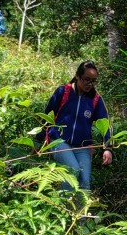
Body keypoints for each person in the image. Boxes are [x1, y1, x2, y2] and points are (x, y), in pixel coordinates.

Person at [41, 60, 113, 193]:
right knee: (72, 171)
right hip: (59, 141)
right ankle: (64, 210)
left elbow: (105, 123)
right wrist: (38, 140)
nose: (90, 84)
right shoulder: (63, 92)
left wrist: (107, 148)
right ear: (77, 76)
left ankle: (81, 214)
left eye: (93, 81)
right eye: (86, 79)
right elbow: (47, 117)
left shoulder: (95, 100)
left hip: (83, 146)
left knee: (84, 181)